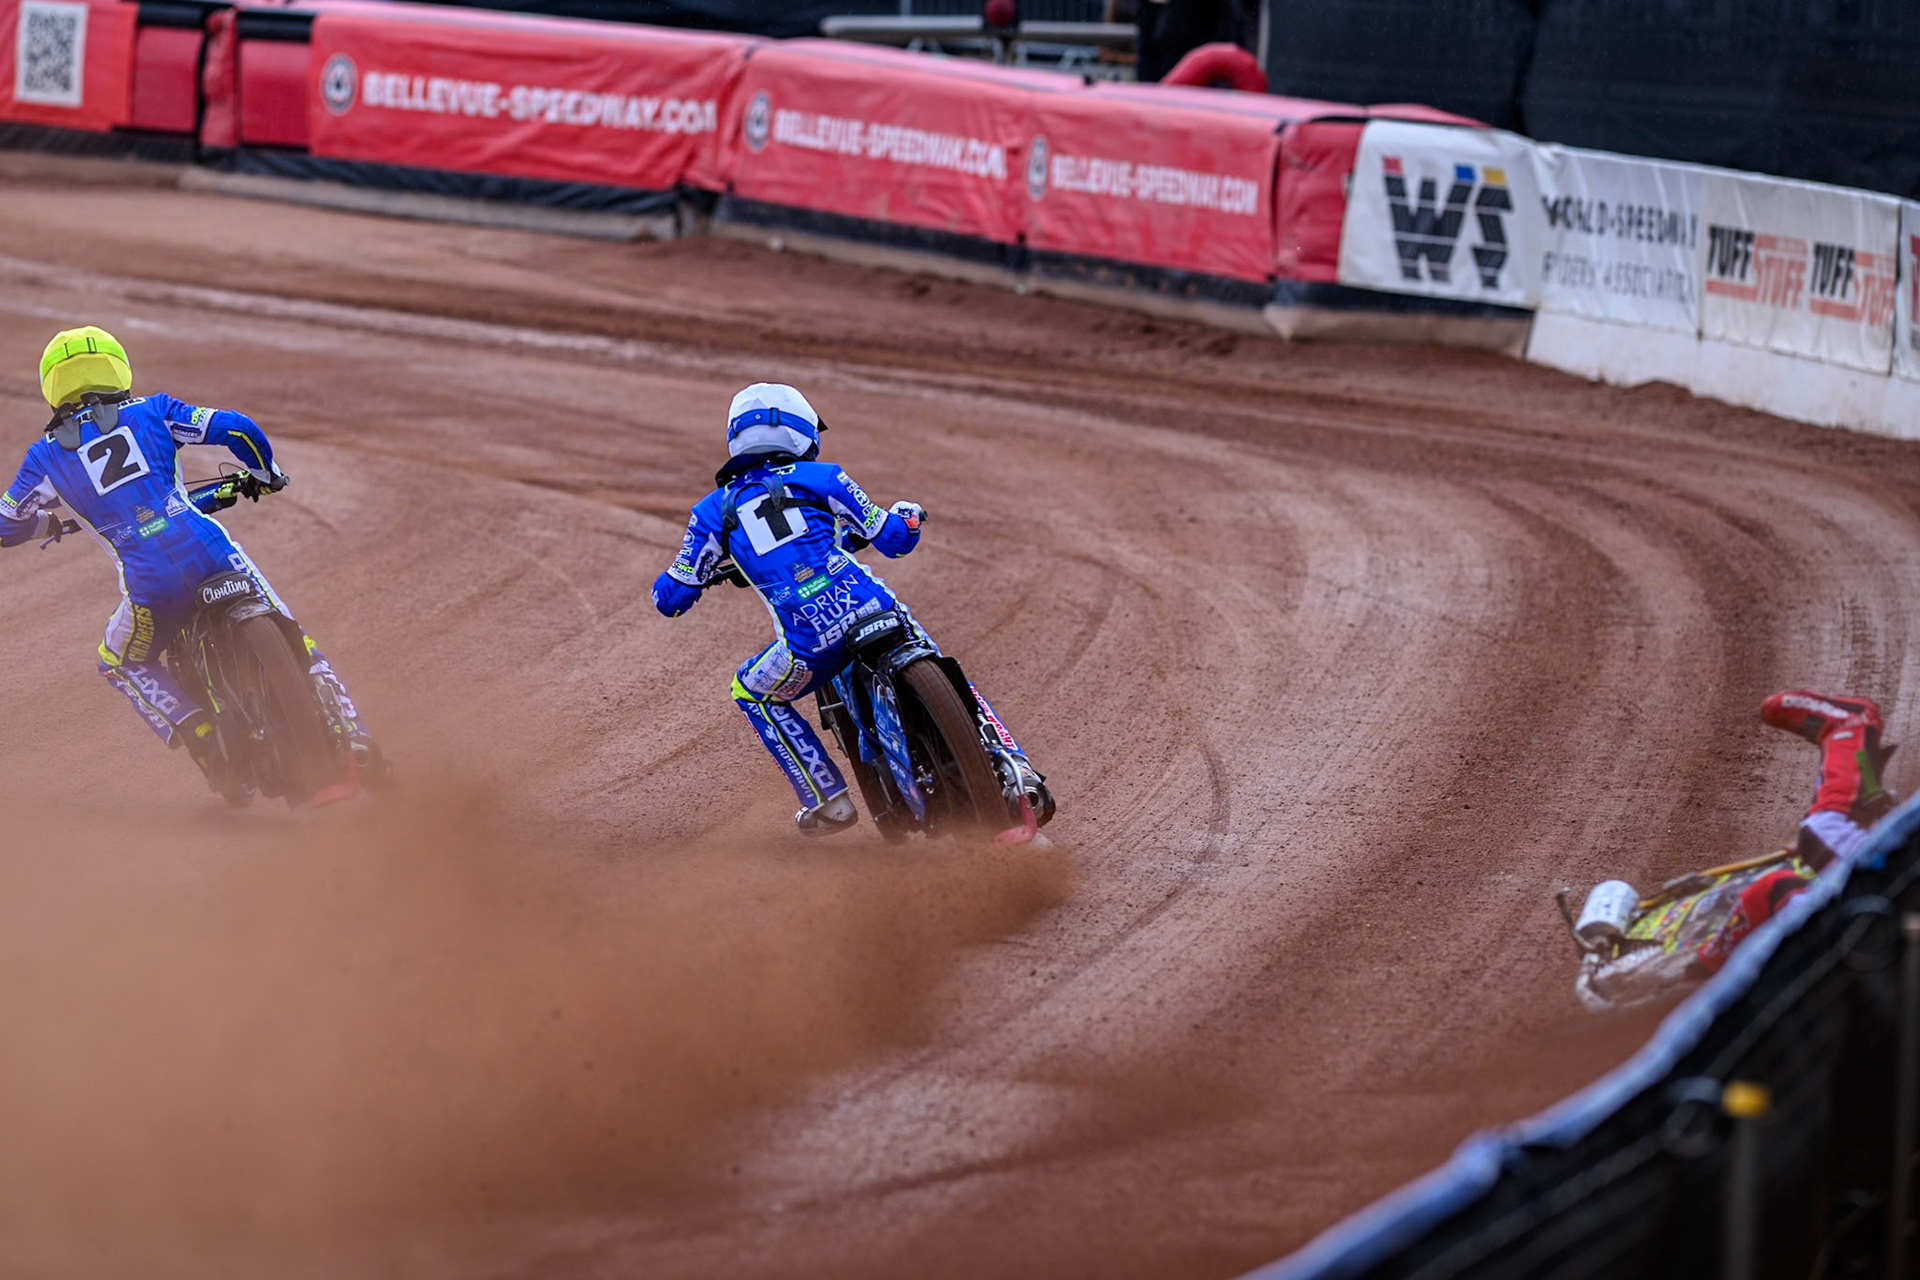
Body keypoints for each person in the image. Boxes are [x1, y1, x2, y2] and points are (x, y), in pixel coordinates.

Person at [651, 382, 1047, 835]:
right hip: (872, 606)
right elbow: (895, 540)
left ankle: (827, 800)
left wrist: (681, 580)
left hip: (810, 646)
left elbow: (671, 600)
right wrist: (908, 516)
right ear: (799, 433)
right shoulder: (824, 477)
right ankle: (1015, 766)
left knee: (751, 691)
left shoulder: (710, 513)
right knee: (937, 660)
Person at [0, 326, 380, 798]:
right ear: (117, 368)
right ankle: (353, 731)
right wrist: (265, 474)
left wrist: (48, 526)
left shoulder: (44, 457)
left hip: (151, 588)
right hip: (211, 553)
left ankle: (200, 733)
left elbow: (5, 525)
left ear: (51, 386)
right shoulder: (154, 410)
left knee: (118, 660)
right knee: (295, 636)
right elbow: (238, 428)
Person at [1574, 689, 1897, 1009]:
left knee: (1818, 860)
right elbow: (1774, 888)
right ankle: (1851, 728)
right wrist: (1701, 966)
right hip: (1872, 888)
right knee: (1821, 840)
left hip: (1871, 911)